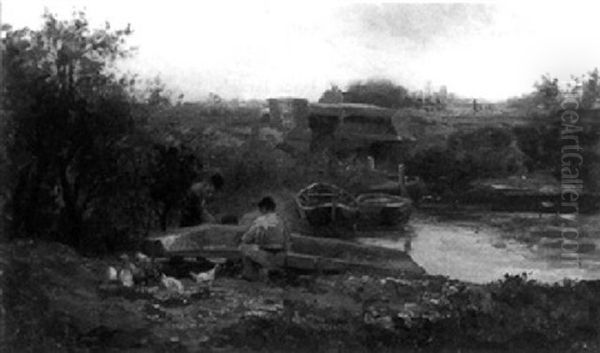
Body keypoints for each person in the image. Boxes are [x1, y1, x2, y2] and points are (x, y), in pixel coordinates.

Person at [239, 196, 290, 281]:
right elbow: (287, 239)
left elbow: (246, 238)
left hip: (266, 255)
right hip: (281, 255)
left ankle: (249, 274)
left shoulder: (261, 220)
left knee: (243, 247)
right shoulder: (281, 220)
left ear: (264, 208)